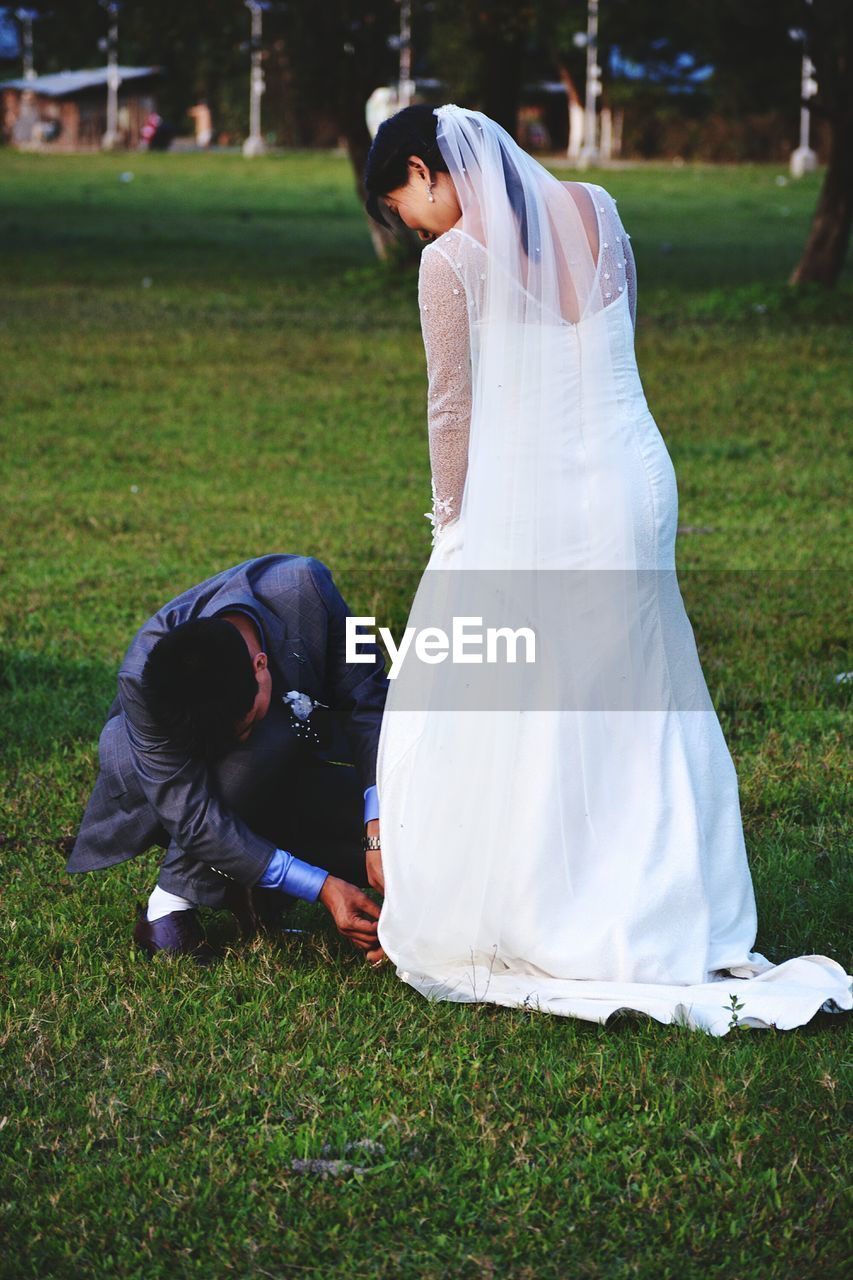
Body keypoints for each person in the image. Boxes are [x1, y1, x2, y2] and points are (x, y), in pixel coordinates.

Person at [361, 103, 851, 1034]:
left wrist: (451, 530)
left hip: (535, 499)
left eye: (401, 205)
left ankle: (565, 901)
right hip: (634, 480)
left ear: (427, 171)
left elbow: (450, 414)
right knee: (638, 691)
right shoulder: (598, 209)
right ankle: (669, 902)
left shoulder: (450, 262)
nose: (409, 226)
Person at [67, 554, 388, 966]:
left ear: (260, 666)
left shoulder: (309, 584)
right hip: (164, 781)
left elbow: (369, 697)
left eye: (244, 727)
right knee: (267, 741)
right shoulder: (143, 675)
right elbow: (191, 814)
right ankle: (168, 907)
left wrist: (375, 826)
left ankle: (252, 883)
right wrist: (322, 887)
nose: (239, 741)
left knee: (386, 834)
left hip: (291, 763)